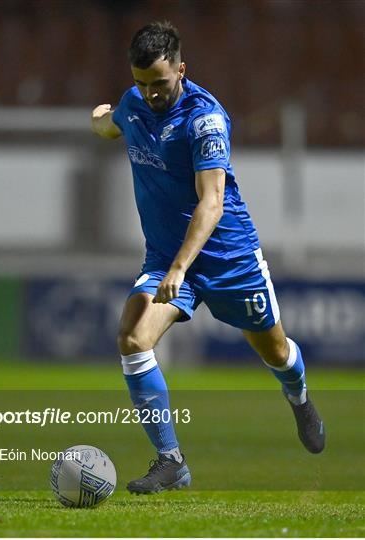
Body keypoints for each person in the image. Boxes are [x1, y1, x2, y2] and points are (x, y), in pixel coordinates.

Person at [91, 21, 325, 494]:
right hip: (164, 258)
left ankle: (297, 393)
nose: (152, 94)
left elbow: (212, 203)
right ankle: (171, 461)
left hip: (227, 256)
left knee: (275, 351)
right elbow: (111, 124)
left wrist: (181, 267)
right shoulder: (135, 103)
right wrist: (99, 119)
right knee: (134, 339)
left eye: (160, 84)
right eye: (142, 84)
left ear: (181, 69)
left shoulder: (205, 119)